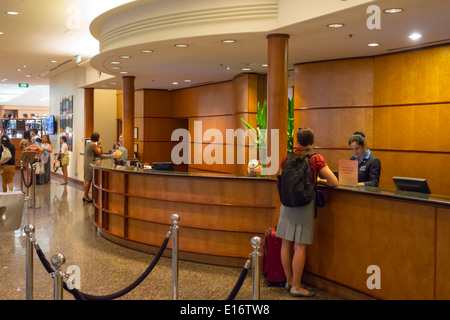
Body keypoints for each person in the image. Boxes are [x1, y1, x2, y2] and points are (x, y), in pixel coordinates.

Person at [276, 127, 338, 298]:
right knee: (300, 246)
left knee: (286, 243)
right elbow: (334, 182)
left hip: (287, 204)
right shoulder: (316, 158)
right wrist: (319, 180)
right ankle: (297, 286)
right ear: (312, 141)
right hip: (304, 204)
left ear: (297, 141)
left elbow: (281, 177)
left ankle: (289, 281)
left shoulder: (287, 156)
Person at [83, 132, 102, 203]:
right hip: (90, 163)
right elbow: (98, 152)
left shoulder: (88, 143)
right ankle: (85, 196)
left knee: (87, 179)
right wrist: (99, 144)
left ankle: (86, 195)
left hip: (86, 162)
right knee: (88, 180)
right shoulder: (93, 144)